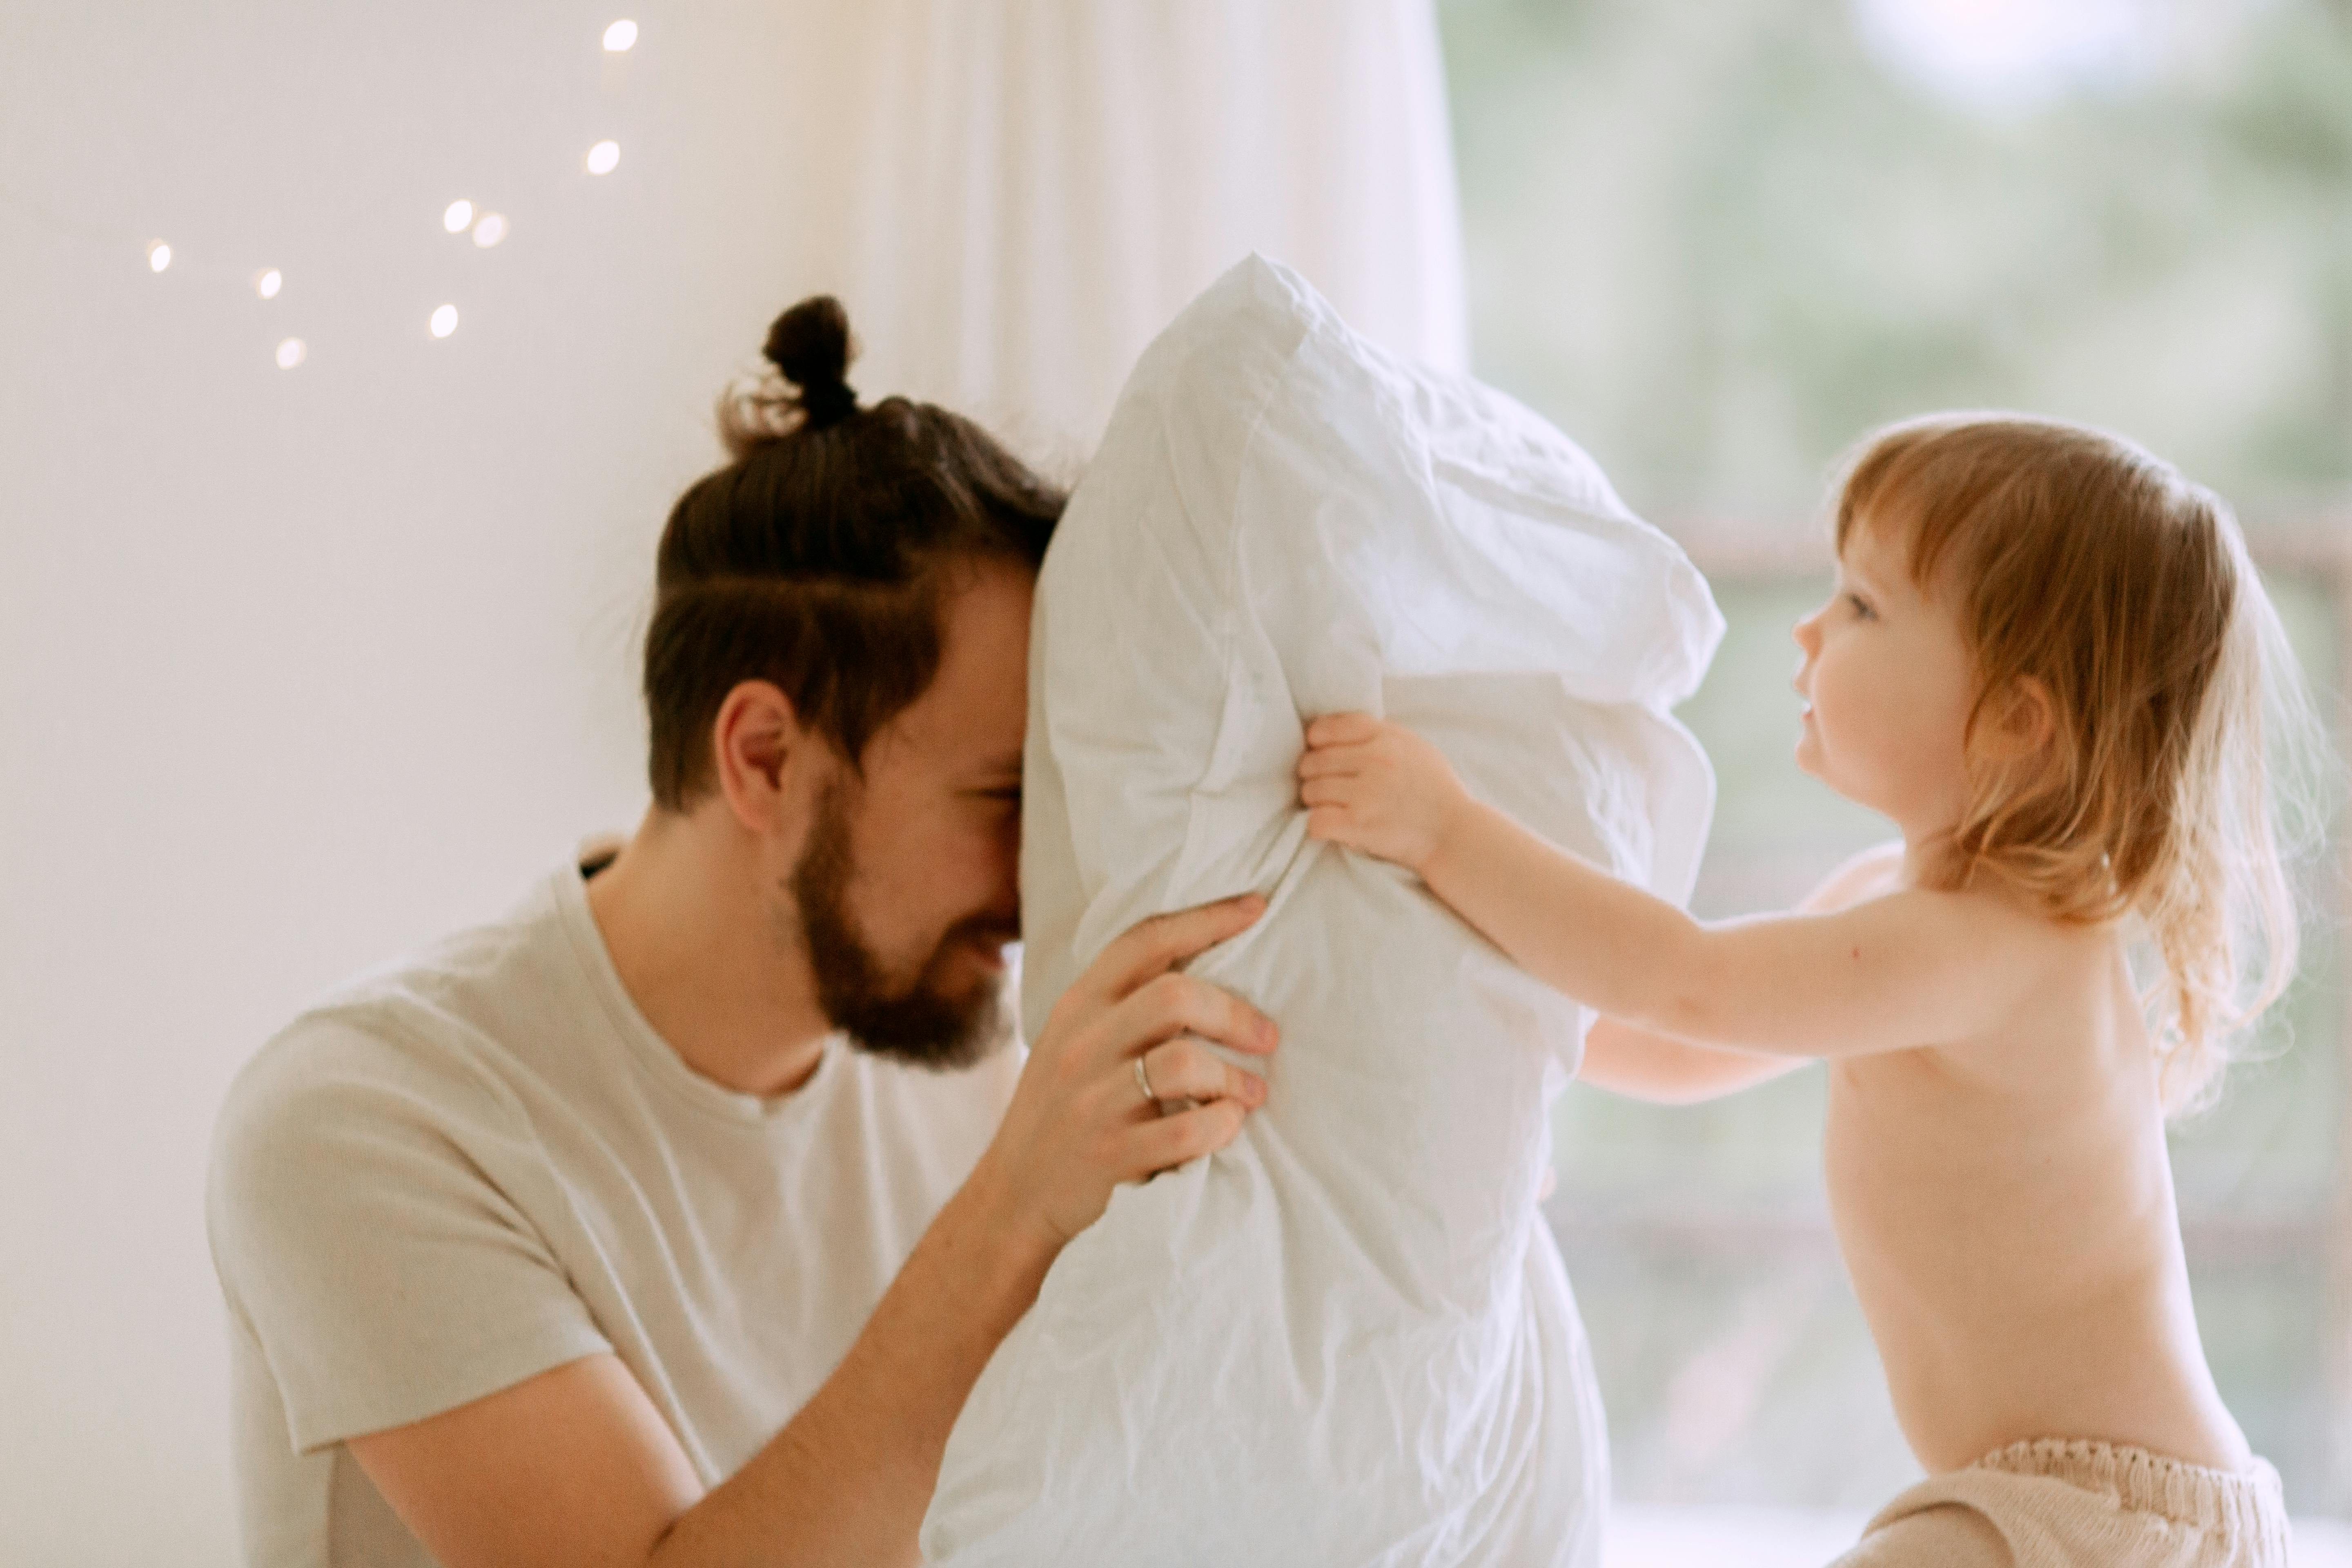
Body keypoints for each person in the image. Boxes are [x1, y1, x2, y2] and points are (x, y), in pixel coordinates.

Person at [206, 295, 1281, 1568]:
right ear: (765, 756)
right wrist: (1014, 1213)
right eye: (1004, 801)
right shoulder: (366, 1120)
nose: (1046, 882)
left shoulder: (969, 1081)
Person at [1298, 413, 2305, 1567]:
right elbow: (1675, 1047)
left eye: (1865, 609)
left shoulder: (1996, 955)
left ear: (2018, 722)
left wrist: (1448, 832)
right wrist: (1487, 1073)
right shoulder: (1891, 903)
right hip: (2024, 1496)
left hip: (2116, 1519)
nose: (1811, 628)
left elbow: (1687, 984)